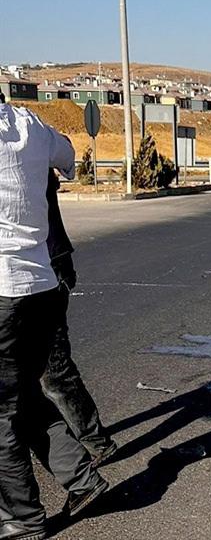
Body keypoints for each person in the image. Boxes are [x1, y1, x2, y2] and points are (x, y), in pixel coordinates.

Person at [1, 100, 109, 540]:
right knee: (24, 396)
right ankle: (82, 480)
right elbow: (67, 155)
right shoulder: (29, 124)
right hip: (41, 288)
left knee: (2, 414)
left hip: (4, 292)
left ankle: (22, 517)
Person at [42, 170, 118, 464]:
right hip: (29, 270)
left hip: (46, 268)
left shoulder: (28, 148)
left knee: (53, 370)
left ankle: (95, 442)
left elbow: (62, 162)